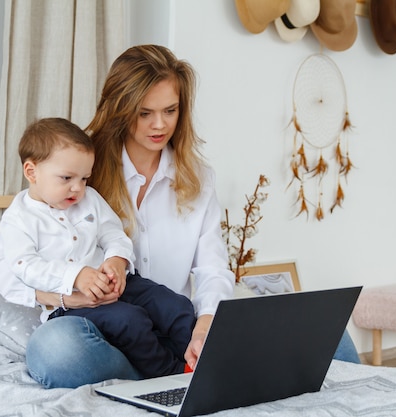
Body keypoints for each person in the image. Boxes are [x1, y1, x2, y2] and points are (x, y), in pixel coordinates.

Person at [24, 44, 360, 389]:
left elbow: (212, 267)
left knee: (330, 332)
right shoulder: (76, 174)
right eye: (144, 113)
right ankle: (163, 383)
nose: (159, 124)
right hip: (106, 332)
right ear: (120, 109)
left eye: (170, 110)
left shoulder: (198, 178)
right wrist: (65, 295)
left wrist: (205, 324)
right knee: (55, 348)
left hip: (177, 330)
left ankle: (176, 378)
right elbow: (7, 263)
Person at [0, 117, 196, 379]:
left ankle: (195, 361)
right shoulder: (18, 219)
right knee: (130, 321)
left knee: (176, 306)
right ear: (31, 172)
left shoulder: (90, 199)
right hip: (73, 304)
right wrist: (76, 276)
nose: (78, 188)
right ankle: (169, 376)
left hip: (121, 282)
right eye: (67, 178)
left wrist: (117, 260)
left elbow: (114, 234)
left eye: (84, 178)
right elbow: (24, 265)